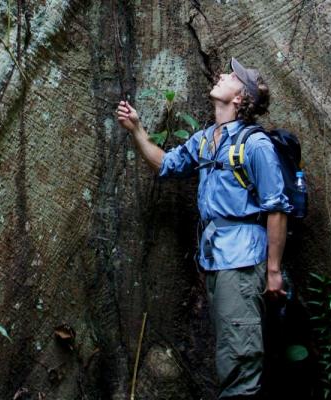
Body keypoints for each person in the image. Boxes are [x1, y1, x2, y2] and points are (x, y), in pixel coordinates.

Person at [116, 58, 291, 399]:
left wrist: (273, 272)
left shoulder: (255, 146)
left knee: (240, 357)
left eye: (232, 76)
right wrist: (137, 129)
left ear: (240, 98)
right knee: (230, 347)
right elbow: (166, 164)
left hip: (241, 261)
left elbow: (276, 209)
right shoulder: (207, 139)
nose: (223, 75)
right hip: (215, 259)